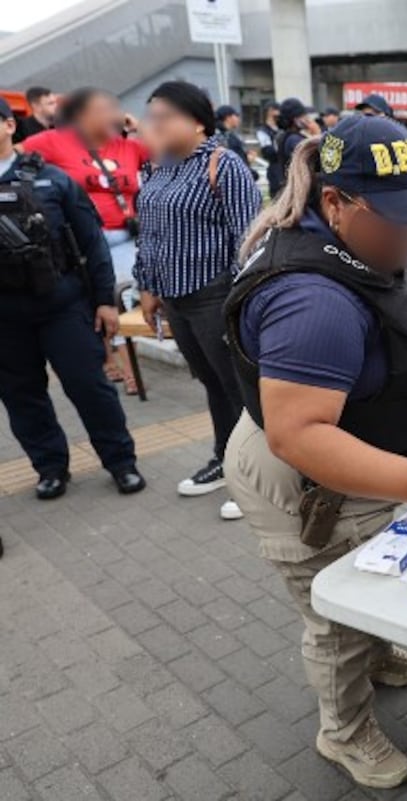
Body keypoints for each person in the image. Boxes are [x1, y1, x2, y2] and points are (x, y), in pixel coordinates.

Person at [224, 115, 407, 789]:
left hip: (358, 451)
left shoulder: (380, 248)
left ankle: (374, 649)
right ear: (335, 203)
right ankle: (342, 730)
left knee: (368, 579)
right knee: (334, 610)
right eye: (394, 218)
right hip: (305, 478)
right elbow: (299, 435)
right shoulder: (314, 300)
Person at [0, 97, 145, 499]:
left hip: (61, 304)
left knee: (88, 385)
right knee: (21, 396)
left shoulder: (53, 179)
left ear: (10, 125)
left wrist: (103, 301)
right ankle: (50, 468)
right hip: (6, 316)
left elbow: (91, 241)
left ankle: (120, 462)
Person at [133, 81, 260, 520]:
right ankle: (225, 458)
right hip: (175, 298)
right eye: (151, 117)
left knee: (239, 386)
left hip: (216, 296)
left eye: (164, 116)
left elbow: (249, 241)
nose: (155, 126)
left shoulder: (223, 166)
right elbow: (147, 233)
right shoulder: (157, 168)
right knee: (210, 381)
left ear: (197, 120)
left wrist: (242, 306)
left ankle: (256, 475)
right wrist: (147, 288)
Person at [21, 87, 152, 395]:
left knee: (122, 298)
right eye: (103, 108)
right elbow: (14, 157)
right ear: (81, 114)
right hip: (79, 243)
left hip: (123, 238)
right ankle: (115, 362)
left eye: (114, 107)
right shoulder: (53, 141)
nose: (112, 114)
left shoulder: (127, 147)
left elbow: (164, 147)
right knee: (96, 302)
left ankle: (123, 360)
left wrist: (137, 126)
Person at [275, 98, 321, 188]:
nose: (307, 119)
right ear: (295, 119)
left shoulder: (287, 136)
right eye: (303, 116)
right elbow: (317, 160)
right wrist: (317, 135)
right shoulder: (294, 139)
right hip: (301, 191)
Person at [256, 101, 283, 196]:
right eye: (277, 110)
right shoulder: (263, 130)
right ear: (270, 111)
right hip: (275, 169)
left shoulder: (281, 127)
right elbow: (268, 152)